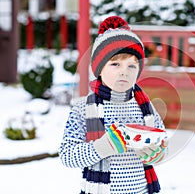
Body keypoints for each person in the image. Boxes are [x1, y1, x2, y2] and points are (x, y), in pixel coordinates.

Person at [59, 16, 168, 194]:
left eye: (132, 66)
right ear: (99, 68)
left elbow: (162, 143)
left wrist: (157, 153)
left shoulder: (146, 107)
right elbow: (67, 155)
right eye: (115, 64)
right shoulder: (82, 108)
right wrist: (102, 147)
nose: (124, 72)